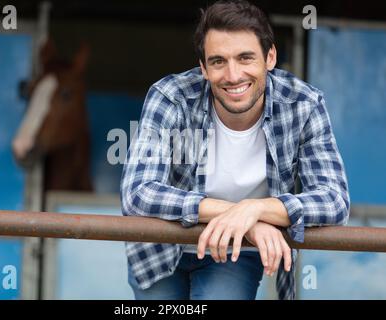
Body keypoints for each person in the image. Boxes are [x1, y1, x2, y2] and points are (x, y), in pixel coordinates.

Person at [120, 0, 350, 300]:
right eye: (218, 61)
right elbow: (138, 193)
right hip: (159, 251)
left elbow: (334, 200)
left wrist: (255, 209)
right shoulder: (171, 97)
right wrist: (244, 219)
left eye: (245, 58)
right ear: (203, 67)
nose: (232, 75)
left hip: (235, 252)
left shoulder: (303, 104)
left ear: (270, 57)